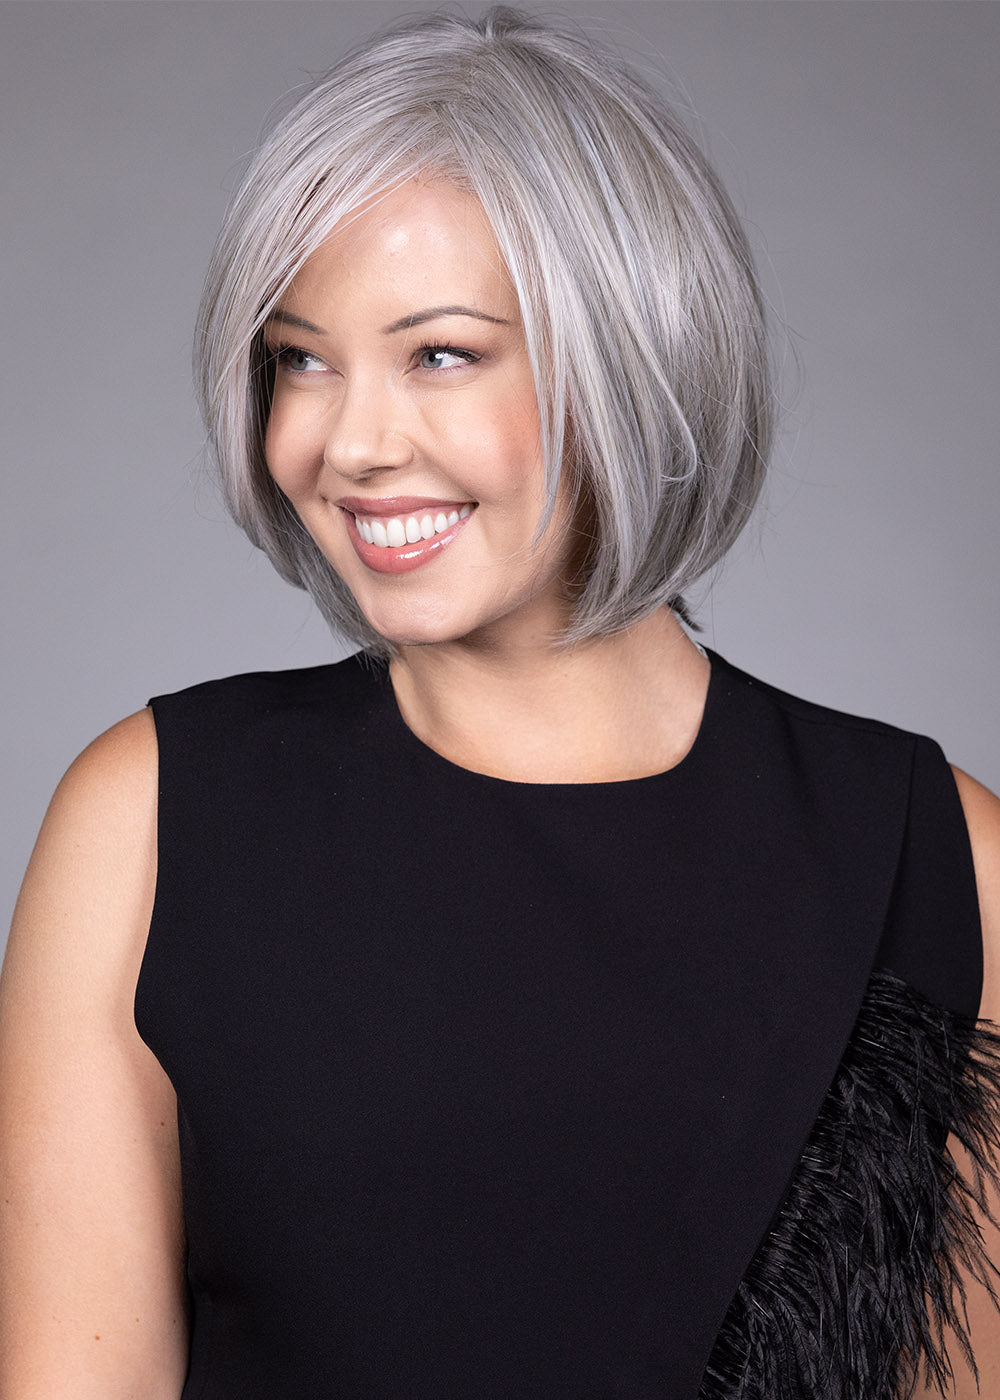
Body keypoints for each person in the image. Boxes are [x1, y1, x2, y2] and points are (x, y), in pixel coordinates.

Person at [1, 7, 999, 1398]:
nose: (350, 443)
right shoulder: (151, 824)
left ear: (630, 359)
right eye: (301, 357)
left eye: (441, 354)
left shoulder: (936, 857)